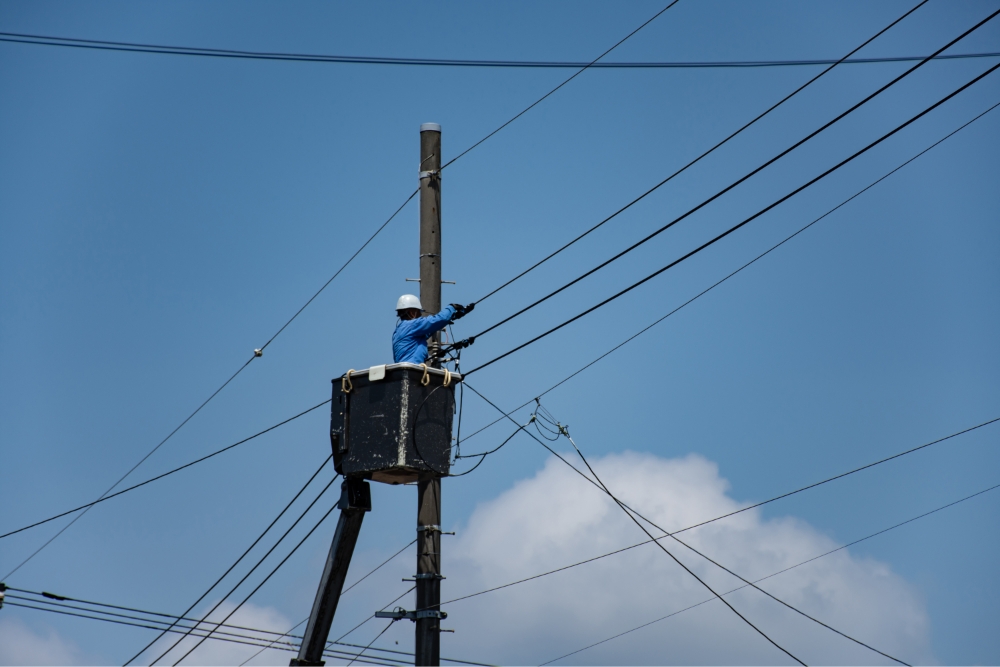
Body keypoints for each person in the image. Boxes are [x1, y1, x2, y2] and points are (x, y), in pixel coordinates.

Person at [392, 294, 472, 364]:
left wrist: (451, 317)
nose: (420, 315)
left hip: (404, 372)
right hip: (412, 370)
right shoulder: (413, 325)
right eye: (418, 312)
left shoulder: (399, 331)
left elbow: (430, 329)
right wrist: (452, 307)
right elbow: (438, 320)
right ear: (411, 313)